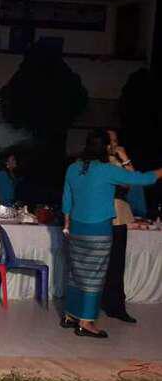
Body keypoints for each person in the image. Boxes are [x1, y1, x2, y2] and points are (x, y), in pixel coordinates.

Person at [60, 130, 162, 338]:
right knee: (94, 276)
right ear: (106, 148)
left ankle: (70, 315)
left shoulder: (73, 168)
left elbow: (67, 198)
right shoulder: (107, 170)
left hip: (76, 227)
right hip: (98, 229)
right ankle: (86, 322)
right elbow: (143, 179)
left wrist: (67, 224)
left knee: (76, 273)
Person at [101, 129, 138, 323]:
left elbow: (133, 181)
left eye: (116, 141)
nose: (114, 145)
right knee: (98, 263)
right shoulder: (99, 162)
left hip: (119, 215)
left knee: (117, 263)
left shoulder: (120, 161)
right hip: (100, 214)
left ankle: (116, 306)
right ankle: (94, 303)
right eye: (111, 141)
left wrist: (124, 158)